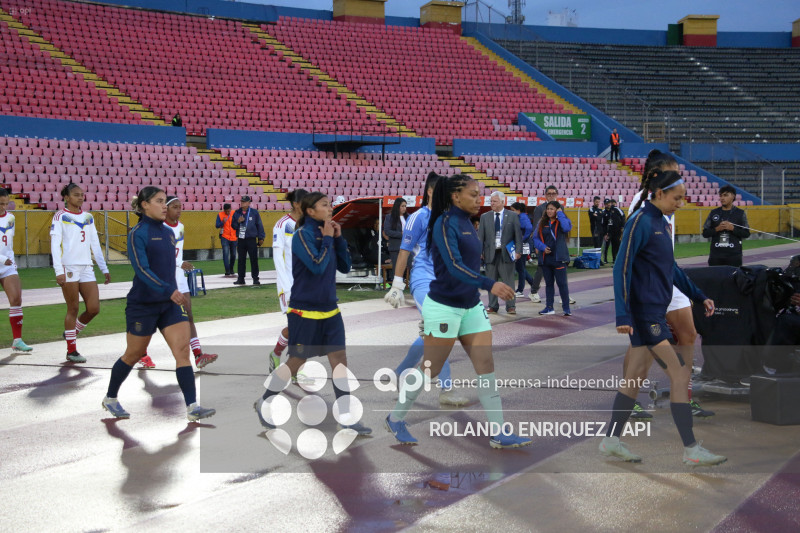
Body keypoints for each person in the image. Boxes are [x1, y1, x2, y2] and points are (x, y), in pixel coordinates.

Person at [384, 174, 531, 449]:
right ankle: (396, 418)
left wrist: (483, 288)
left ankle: (498, 432)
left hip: (471, 306)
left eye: (480, 194)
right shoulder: (444, 223)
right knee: (430, 369)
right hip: (444, 307)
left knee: (486, 367)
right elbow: (453, 266)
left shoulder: (467, 222)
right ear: (455, 196)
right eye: (474, 194)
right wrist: (491, 284)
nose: (480, 199)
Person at [598, 169, 726, 466]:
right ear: (658, 193)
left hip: (654, 310)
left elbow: (671, 268)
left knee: (633, 379)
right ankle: (691, 449)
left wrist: (698, 295)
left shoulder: (661, 223)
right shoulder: (640, 222)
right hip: (645, 315)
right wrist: (622, 313)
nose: (680, 204)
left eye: (683, 198)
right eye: (676, 198)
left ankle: (611, 440)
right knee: (680, 373)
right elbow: (621, 268)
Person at [254, 192, 371, 436]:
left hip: (330, 309)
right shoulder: (301, 235)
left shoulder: (326, 233)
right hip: (303, 310)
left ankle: (347, 417)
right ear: (310, 211)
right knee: (296, 362)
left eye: (330, 205)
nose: (331, 209)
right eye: (325, 205)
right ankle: (264, 401)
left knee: (340, 361)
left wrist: (338, 239)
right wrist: (328, 239)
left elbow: (345, 267)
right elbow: (317, 266)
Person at [101, 187, 215, 422]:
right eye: (159, 201)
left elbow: (168, 267)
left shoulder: (168, 233)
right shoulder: (137, 234)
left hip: (170, 304)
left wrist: (173, 291)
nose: (165, 206)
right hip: (143, 305)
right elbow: (142, 270)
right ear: (144, 205)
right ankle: (110, 398)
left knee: (182, 352)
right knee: (133, 354)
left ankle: (192, 406)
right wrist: (168, 290)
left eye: (165, 201)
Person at [627, 150, 713, 419]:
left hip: (669, 279)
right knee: (643, 348)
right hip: (648, 285)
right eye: (672, 172)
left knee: (688, 334)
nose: (678, 177)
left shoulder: (672, 200)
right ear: (656, 177)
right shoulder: (641, 207)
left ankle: (684, 396)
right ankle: (629, 400)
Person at [384, 172, 467, 407]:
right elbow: (404, 251)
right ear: (430, 192)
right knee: (442, 331)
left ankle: (400, 372)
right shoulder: (419, 217)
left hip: (445, 282)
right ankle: (447, 389)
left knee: (433, 334)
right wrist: (397, 285)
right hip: (424, 282)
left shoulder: (451, 217)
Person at [138, 196, 218, 370]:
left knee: (188, 315)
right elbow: (156, 256)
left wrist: (180, 263)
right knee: (153, 319)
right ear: (166, 209)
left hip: (179, 278)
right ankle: (141, 353)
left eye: (180, 207)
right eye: (175, 207)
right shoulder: (157, 229)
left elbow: (177, 253)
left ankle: (198, 355)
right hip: (162, 278)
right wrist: (178, 263)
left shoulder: (180, 227)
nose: (179, 210)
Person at [50, 183, 111, 363]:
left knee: (93, 308)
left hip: (86, 267)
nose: (80, 197)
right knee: (73, 308)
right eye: (76, 195)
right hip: (69, 267)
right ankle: (71, 350)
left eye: (82, 194)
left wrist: (104, 268)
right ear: (67, 197)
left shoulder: (88, 217)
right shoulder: (60, 216)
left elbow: (94, 243)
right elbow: (55, 245)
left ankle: (71, 333)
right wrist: (58, 270)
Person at [267, 188, 307, 372]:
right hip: (289, 284)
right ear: (297, 204)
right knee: (297, 327)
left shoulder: (308, 224)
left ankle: (278, 356)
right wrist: (287, 287)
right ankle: (292, 367)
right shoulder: (282, 225)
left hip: (306, 283)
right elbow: (278, 258)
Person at [478, 191, 521, 315]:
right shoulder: (484, 217)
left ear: (503, 202)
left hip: (506, 253)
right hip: (490, 253)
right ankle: (492, 306)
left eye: (494, 201)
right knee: (491, 281)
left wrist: (518, 251)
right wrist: (479, 251)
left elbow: (518, 235)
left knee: (509, 281)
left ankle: (511, 306)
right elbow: (480, 236)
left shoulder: (512, 216)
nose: (492, 203)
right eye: (491, 201)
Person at [0, 188, 32, 353]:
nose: (4, 207)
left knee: (16, 299)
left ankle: (17, 340)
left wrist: (10, 259)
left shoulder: (11, 218)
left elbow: (8, 244)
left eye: (6, 203)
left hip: (7, 265)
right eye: (0, 204)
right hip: (2, 261)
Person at [532, 201, 572, 316]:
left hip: (559, 258)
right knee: (549, 284)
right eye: (548, 209)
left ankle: (566, 308)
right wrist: (543, 247)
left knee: (562, 284)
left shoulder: (562, 221)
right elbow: (535, 238)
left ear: (557, 210)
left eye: (552, 209)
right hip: (546, 258)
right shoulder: (542, 222)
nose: (549, 211)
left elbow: (566, 228)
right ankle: (549, 307)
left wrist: (560, 214)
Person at [702, 185, 750, 267]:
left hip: (734, 256)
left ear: (733, 197)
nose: (722, 198)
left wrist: (733, 229)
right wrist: (717, 229)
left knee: (734, 279)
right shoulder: (714, 212)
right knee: (715, 279)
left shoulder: (740, 213)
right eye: (721, 195)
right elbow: (705, 233)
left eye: (725, 195)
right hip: (716, 256)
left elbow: (746, 233)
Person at [231, 195, 265, 286]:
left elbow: (259, 225)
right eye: (242, 202)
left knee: (254, 259)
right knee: (241, 260)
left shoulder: (254, 212)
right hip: (241, 239)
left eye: (245, 202)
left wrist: (261, 237)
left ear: (249, 203)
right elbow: (233, 226)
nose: (243, 203)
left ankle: (255, 279)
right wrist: (237, 221)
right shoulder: (237, 213)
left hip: (251, 239)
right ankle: (241, 279)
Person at [510, 202, 534, 298]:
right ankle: (533, 284)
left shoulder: (523, 217)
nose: (512, 212)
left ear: (518, 210)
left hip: (524, 245)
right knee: (520, 267)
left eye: (513, 210)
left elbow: (529, 228)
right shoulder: (521, 217)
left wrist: (522, 239)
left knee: (520, 267)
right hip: (523, 244)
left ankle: (520, 290)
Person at [383, 197, 407, 283]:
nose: (404, 208)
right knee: (396, 267)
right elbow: (387, 231)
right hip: (395, 246)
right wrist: (401, 234)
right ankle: (396, 284)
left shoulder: (408, 217)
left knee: (408, 265)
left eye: (405, 206)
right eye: (402, 206)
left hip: (407, 247)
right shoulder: (389, 217)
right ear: (397, 207)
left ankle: (406, 281)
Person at [601, 198, 625, 264]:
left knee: (616, 245)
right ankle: (605, 259)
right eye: (606, 204)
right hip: (609, 232)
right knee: (606, 245)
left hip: (617, 231)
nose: (608, 205)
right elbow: (603, 224)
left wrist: (622, 226)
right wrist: (605, 234)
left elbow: (623, 216)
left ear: (610, 203)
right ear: (604, 205)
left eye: (608, 203)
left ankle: (615, 259)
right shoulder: (604, 212)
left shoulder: (616, 209)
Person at [215, 203, 237, 277]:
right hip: (225, 237)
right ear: (224, 210)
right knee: (226, 253)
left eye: (229, 211)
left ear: (231, 209)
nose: (227, 213)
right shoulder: (220, 215)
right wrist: (222, 222)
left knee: (233, 254)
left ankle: (231, 268)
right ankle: (227, 270)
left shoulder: (234, 213)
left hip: (234, 237)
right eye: (226, 211)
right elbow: (217, 225)